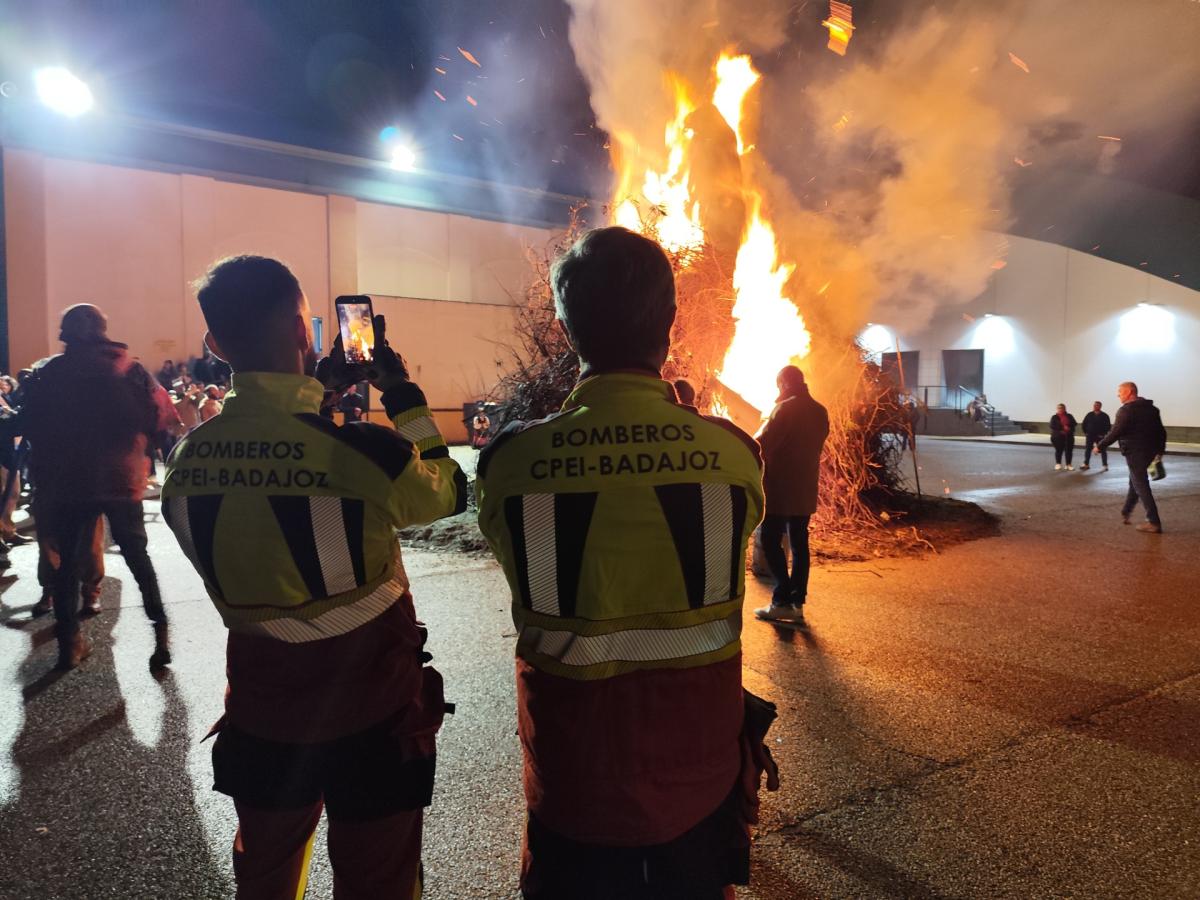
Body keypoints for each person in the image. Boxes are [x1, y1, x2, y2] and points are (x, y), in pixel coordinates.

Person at [162, 255, 466, 899]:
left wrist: (309, 394)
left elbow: (277, 453)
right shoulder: (365, 454)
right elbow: (450, 491)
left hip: (261, 715)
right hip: (376, 711)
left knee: (267, 877)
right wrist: (404, 397)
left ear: (216, 345)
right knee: (378, 880)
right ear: (306, 332)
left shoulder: (186, 463)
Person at [477, 227, 767, 900]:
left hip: (571, 781)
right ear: (669, 326)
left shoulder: (512, 463)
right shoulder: (734, 452)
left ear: (566, 330)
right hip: (699, 784)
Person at [20, 304, 174, 670]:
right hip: (121, 479)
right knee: (138, 558)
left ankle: (69, 644)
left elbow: (30, 424)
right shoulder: (129, 369)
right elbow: (161, 416)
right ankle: (160, 632)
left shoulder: (50, 373)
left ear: (66, 334)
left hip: (69, 481)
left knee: (68, 565)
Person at [753, 366, 830, 623]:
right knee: (799, 544)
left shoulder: (784, 409)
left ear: (784, 383)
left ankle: (781, 599)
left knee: (769, 539)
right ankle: (797, 601)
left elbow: (764, 445)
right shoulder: (820, 411)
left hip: (779, 487)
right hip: (805, 487)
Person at [1095, 381, 1166, 533]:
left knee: (1141, 485)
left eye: (1120, 392)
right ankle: (1126, 511)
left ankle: (1153, 521)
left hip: (1135, 453)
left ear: (1128, 392)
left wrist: (1099, 446)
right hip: (1150, 452)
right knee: (1135, 481)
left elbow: (1115, 432)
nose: (1118, 395)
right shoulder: (1152, 409)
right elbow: (1161, 432)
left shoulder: (1125, 411)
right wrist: (1160, 451)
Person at [1080, 401, 1111, 471]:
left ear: (1100, 406)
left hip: (1100, 436)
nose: (1095, 406)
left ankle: (1105, 465)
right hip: (1090, 435)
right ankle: (1086, 464)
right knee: (1088, 450)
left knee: (1103, 450)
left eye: (1097, 405)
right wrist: (1086, 433)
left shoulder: (1105, 416)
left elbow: (1108, 426)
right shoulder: (1089, 414)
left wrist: (1103, 434)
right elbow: (1084, 424)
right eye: (1094, 405)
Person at [1049, 403, 1078, 470]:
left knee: (1069, 451)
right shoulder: (1054, 417)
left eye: (1062, 408)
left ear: (1065, 409)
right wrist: (1062, 428)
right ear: (1057, 409)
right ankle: (1058, 464)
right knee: (1059, 450)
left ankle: (1068, 464)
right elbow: (1052, 425)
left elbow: (1074, 423)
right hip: (1058, 437)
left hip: (1069, 436)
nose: (1060, 409)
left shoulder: (1069, 416)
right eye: (1059, 408)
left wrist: (1069, 427)